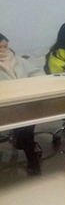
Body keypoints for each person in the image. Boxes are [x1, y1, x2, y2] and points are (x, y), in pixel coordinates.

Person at [0, 33, 43, 175]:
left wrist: (29, 85)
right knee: (23, 124)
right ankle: (31, 155)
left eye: (5, 46)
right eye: (0, 48)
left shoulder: (18, 60)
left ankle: (26, 147)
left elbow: (37, 73)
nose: (4, 50)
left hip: (24, 101)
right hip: (4, 105)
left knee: (25, 121)